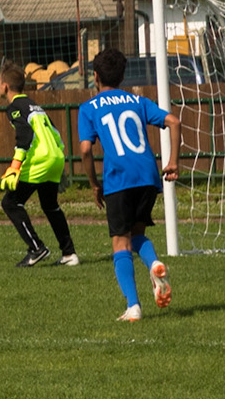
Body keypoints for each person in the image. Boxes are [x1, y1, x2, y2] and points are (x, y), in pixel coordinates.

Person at [76, 48, 180, 322]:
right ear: (122, 76)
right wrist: (173, 161)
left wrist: (94, 184)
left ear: (95, 76)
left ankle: (133, 306)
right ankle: (154, 262)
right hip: (148, 177)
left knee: (120, 243)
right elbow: (173, 121)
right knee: (135, 235)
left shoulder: (88, 108)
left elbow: (86, 149)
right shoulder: (137, 100)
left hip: (119, 179)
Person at [0, 62, 78, 267]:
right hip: (55, 157)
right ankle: (69, 254)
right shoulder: (35, 105)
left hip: (40, 160)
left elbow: (24, 134)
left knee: (11, 203)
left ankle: (36, 249)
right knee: (50, 206)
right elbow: (55, 133)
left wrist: (15, 165)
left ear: (5, 86)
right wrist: (60, 163)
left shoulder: (14, 107)